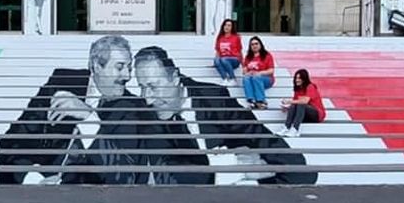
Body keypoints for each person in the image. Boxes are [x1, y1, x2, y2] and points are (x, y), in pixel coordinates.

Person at [133, 46, 316, 185]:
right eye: (142, 87)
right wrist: (233, 167)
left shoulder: (214, 98)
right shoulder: (147, 115)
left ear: (174, 77)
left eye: (153, 86)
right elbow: (168, 174)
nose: (147, 98)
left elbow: (259, 136)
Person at [0, 35, 153, 184]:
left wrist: (88, 118)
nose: (127, 76)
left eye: (129, 68)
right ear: (97, 66)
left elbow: (123, 175)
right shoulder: (62, 81)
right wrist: (31, 178)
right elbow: (15, 141)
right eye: (120, 67)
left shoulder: (134, 107)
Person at [276, 69, 326, 138]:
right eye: (296, 78)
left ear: (304, 79)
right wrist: (287, 107)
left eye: (299, 78)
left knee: (301, 104)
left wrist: (289, 101)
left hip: (317, 114)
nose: (297, 80)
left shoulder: (310, 86)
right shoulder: (298, 89)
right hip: (304, 113)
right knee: (294, 105)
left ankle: (295, 129)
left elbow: (305, 101)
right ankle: (286, 127)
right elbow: (295, 103)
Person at [241, 36, 275, 110]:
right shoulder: (248, 57)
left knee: (256, 77)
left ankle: (261, 101)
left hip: (266, 79)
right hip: (252, 78)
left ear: (260, 45)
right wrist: (247, 72)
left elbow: (271, 71)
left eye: (256, 43)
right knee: (246, 78)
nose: (254, 46)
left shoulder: (267, 55)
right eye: (252, 44)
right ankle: (251, 100)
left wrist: (260, 73)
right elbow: (244, 70)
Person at [212, 19, 242, 83]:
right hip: (224, 60)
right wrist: (216, 61)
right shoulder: (220, 37)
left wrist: (243, 63)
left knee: (224, 59)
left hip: (234, 60)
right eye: (225, 25)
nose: (227, 27)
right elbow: (218, 51)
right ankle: (225, 79)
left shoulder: (236, 37)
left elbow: (240, 50)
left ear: (232, 27)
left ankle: (233, 79)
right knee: (216, 60)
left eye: (229, 25)